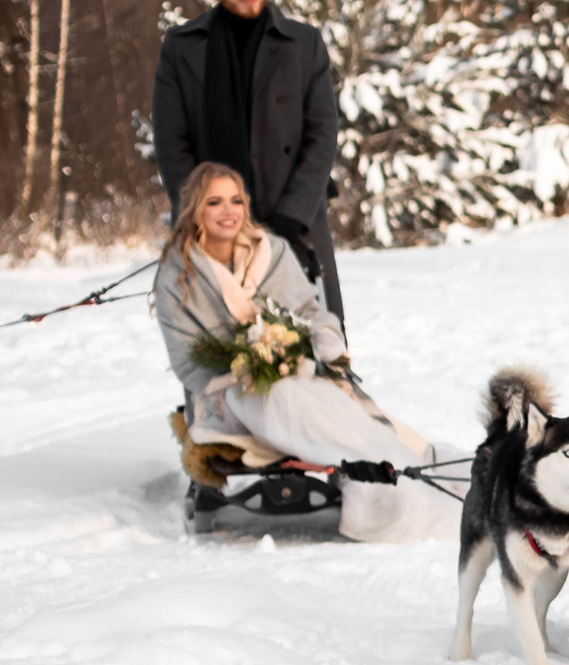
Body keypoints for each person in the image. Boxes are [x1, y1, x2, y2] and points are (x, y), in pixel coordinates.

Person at [155, 162, 453, 544]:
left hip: (295, 372)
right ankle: (380, 489)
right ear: (196, 209)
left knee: (323, 400)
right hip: (227, 394)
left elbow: (312, 314)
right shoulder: (176, 275)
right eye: (214, 202)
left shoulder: (272, 252)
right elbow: (186, 360)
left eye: (235, 200)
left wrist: (323, 338)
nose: (228, 211)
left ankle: (401, 472)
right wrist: (250, 364)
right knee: (280, 395)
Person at [153, 0, 348, 326]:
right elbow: (172, 143)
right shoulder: (182, 46)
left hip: (295, 223)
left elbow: (323, 133)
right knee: (216, 354)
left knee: (312, 349)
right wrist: (202, 215)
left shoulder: (303, 43)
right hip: (212, 230)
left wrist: (292, 217)